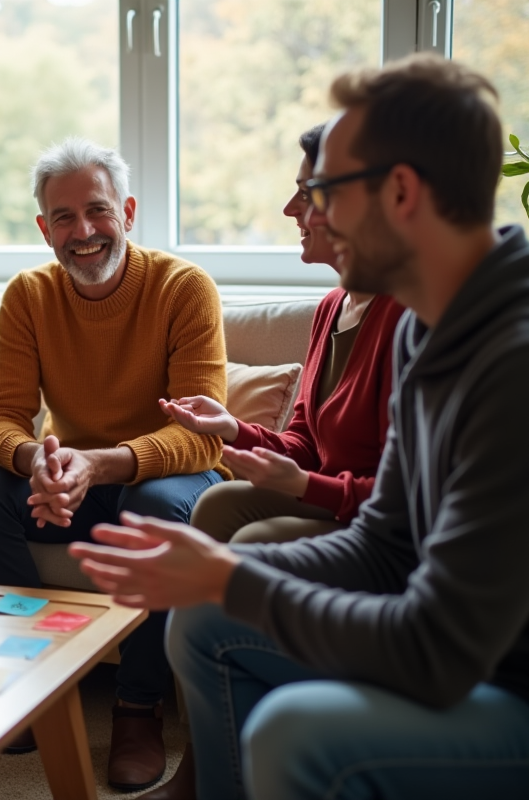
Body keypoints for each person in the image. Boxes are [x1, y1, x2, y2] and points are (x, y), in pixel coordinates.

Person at [71, 54, 529, 800]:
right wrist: (220, 580)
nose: (309, 213)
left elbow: (437, 649)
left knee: (296, 731)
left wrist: (232, 575)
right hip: (454, 652)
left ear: (402, 193)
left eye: (324, 191)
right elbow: (384, 543)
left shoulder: (511, 359)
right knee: (203, 621)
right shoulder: (430, 328)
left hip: (500, 686)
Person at [0, 137, 229, 791]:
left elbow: (202, 438)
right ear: (44, 228)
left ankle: (138, 707)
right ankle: (32, 677)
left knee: (153, 507)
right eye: (65, 218)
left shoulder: (184, 287)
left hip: (163, 480)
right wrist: (37, 461)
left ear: (127, 211)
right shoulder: (29, 294)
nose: (84, 233)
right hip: (72, 476)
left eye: (97, 211)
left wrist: (98, 465)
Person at [159, 125, 405, 545]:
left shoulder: (403, 316)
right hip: (327, 498)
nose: (292, 210)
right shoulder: (331, 308)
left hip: (375, 521)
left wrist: (305, 486)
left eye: (307, 194)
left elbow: (400, 493)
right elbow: (304, 445)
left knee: (250, 539)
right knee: (217, 503)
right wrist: (231, 427)